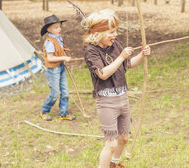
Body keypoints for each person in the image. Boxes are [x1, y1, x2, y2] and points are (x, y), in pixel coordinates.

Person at [82, 9, 150, 168]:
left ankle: (114, 163)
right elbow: (103, 74)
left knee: (124, 138)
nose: (115, 35)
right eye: (111, 31)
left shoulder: (115, 44)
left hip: (122, 98)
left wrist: (142, 55)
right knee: (111, 144)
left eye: (116, 31)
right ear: (99, 33)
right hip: (107, 102)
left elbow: (128, 64)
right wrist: (121, 57)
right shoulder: (91, 50)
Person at [39, 14, 76, 121]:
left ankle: (63, 113)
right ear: (48, 29)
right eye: (56, 27)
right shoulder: (50, 42)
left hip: (60, 67)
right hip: (53, 70)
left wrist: (64, 56)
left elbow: (60, 50)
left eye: (60, 26)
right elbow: (50, 58)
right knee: (55, 93)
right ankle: (44, 110)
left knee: (65, 91)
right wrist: (64, 57)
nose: (59, 29)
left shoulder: (58, 38)